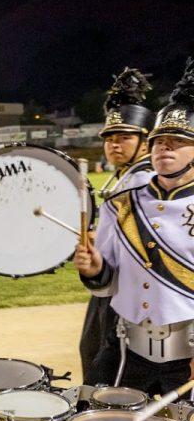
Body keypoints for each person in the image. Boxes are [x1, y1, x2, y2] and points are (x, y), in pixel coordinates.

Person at [28, 58, 194, 421]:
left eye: (178, 143)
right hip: (129, 350)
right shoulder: (123, 202)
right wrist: (93, 269)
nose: (165, 150)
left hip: (189, 351)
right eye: (161, 142)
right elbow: (105, 287)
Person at [78, 68, 156, 382]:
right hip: (109, 284)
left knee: (108, 369)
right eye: (110, 138)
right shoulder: (124, 176)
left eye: (124, 137)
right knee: (95, 354)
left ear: (146, 141)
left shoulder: (144, 180)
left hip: (127, 295)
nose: (114, 144)